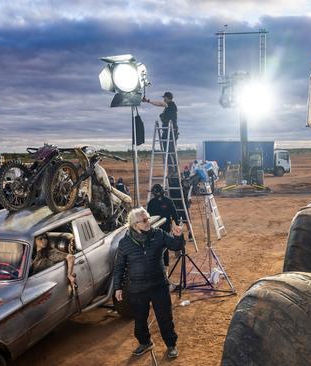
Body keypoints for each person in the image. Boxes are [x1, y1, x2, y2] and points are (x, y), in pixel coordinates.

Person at [113, 207, 183, 359]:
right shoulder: (125, 243)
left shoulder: (158, 235)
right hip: (137, 289)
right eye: (144, 220)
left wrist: (178, 236)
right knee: (139, 319)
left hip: (159, 285)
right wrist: (117, 287)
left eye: (148, 218)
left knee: (165, 317)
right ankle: (145, 342)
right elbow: (119, 266)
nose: (148, 222)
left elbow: (176, 246)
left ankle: (171, 345)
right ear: (134, 224)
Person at [143, 92, 178, 170]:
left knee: (171, 150)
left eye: (164, 98)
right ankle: (171, 169)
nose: (163, 99)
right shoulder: (167, 107)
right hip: (167, 131)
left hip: (171, 131)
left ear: (168, 98)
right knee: (167, 151)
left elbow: (160, 103)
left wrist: (148, 101)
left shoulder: (171, 105)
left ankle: (174, 169)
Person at [147, 184, 179, 267]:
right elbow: (148, 217)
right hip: (154, 228)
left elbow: (174, 214)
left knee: (164, 246)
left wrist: (177, 225)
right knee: (156, 246)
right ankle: (157, 265)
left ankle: (165, 267)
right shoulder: (151, 202)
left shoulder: (168, 201)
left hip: (165, 227)